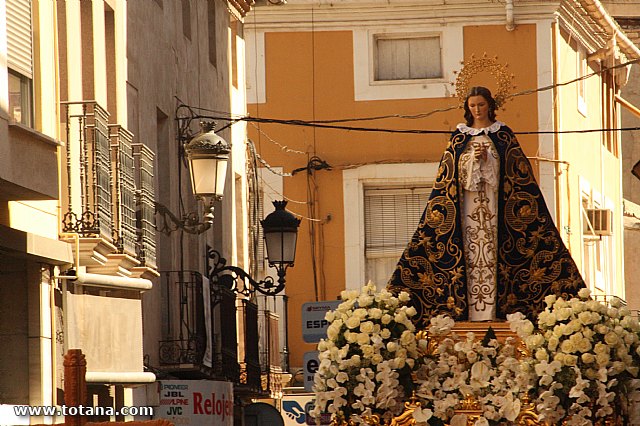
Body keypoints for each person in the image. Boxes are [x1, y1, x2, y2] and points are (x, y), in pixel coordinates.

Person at [388, 86, 585, 326]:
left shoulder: (503, 135)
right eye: (472, 105)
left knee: (493, 250)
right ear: (467, 107)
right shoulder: (459, 137)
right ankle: (469, 311)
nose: (477, 109)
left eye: (481, 105)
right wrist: (472, 160)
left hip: (497, 208)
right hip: (466, 209)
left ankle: (496, 310)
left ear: (489, 105)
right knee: (469, 252)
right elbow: (449, 175)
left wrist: (489, 159)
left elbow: (516, 173)